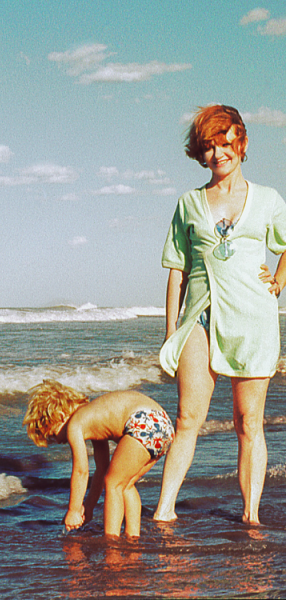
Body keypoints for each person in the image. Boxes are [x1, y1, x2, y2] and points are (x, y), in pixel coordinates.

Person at [154, 105, 286, 524]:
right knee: (188, 417)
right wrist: (171, 331)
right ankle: (164, 511)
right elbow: (176, 272)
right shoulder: (188, 204)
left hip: (253, 318)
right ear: (200, 153)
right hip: (200, 319)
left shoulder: (267, 199)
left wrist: (279, 282)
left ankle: (250, 516)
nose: (218, 154)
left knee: (249, 422)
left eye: (225, 143)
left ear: (242, 144)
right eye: (208, 147)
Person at [23, 380, 174, 537]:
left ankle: (111, 541)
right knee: (125, 484)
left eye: (53, 435)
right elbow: (101, 469)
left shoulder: (75, 425)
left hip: (144, 422)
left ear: (60, 416)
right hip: (163, 426)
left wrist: (73, 510)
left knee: (113, 483)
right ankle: (132, 537)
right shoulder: (93, 417)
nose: (59, 441)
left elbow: (81, 472)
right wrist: (88, 507)